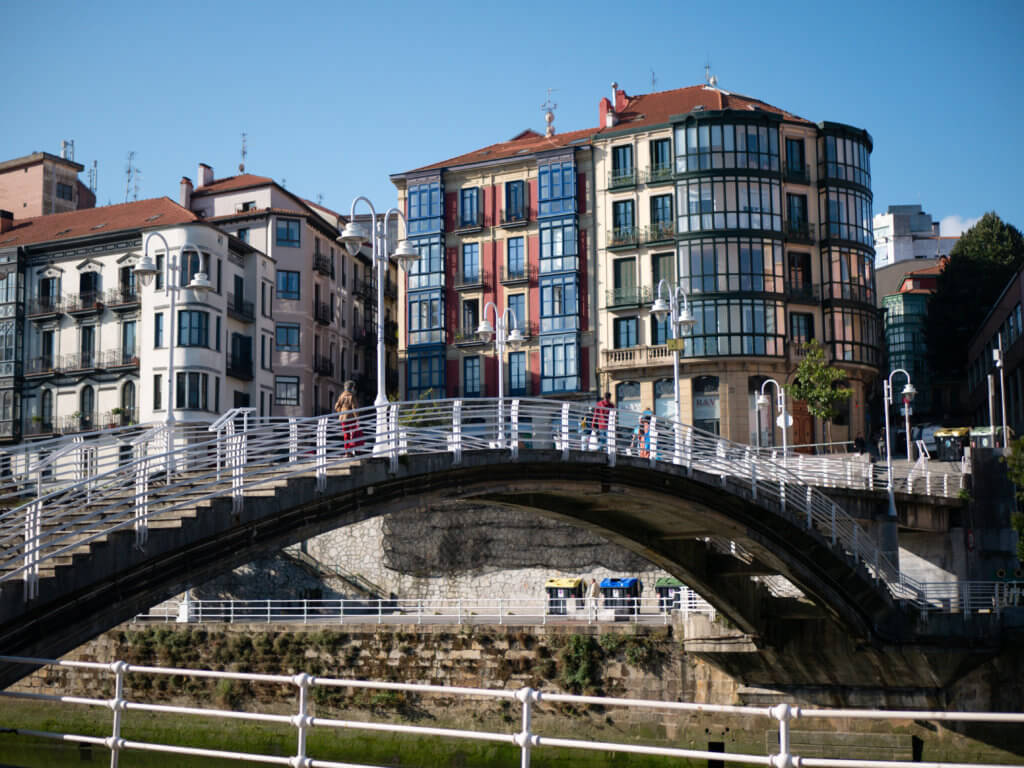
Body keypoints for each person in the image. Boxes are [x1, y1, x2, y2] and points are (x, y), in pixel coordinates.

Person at [333, 381, 361, 457]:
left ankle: (347, 452)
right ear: (351, 388)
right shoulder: (352, 396)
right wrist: (357, 418)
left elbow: (336, 407)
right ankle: (351, 451)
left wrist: (342, 412)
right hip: (351, 418)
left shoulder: (341, 396)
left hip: (343, 419)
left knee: (346, 435)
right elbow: (354, 408)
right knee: (353, 435)